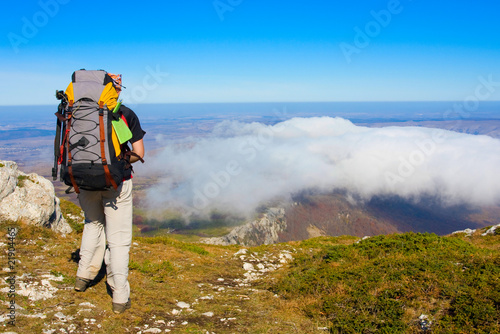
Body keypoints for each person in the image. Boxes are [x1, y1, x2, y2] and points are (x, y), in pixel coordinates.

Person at [74, 99, 145, 314]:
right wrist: (116, 164)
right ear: (114, 88)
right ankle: (120, 296)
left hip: (83, 180)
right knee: (119, 240)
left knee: (92, 224)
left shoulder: (76, 112)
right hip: (116, 183)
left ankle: (83, 277)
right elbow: (138, 153)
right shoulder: (120, 113)